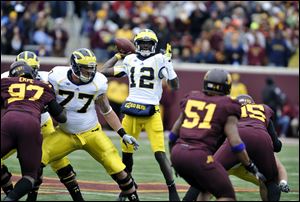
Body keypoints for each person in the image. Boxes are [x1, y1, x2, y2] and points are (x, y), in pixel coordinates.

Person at [39, 48, 140, 201]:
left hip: (92, 133)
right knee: (36, 161)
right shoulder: (56, 77)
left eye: (91, 68)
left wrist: (123, 133)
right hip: (65, 134)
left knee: (118, 168)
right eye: (85, 68)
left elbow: (107, 110)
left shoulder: (98, 82)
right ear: (74, 66)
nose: (89, 72)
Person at [101, 29, 180, 201]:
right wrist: (118, 56)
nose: (145, 46)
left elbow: (174, 86)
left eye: (148, 43)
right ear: (136, 45)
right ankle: (126, 189)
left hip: (152, 112)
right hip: (131, 111)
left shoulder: (160, 59)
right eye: (142, 43)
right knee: (126, 155)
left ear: (154, 45)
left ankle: (172, 190)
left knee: (160, 153)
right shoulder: (129, 59)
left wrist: (169, 65)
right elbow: (103, 71)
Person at [168, 69, 264, 201]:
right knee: (227, 196)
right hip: (199, 155)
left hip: (178, 153)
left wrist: (174, 158)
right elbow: (235, 143)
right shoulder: (228, 105)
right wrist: (249, 165)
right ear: (227, 86)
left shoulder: (192, 97)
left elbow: (173, 134)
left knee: (204, 188)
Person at [1, 51, 85, 201]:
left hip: (31, 122)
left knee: (59, 162)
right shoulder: (45, 82)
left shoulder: (7, 80)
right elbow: (61, 115)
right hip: (32, 124)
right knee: (32, 171)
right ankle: (10, 194)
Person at [180, 94, 288, 201]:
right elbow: (277, 146)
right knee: (270, 181)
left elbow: (216, 137)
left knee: (206, 175)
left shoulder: (230, 110)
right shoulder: (262, 109)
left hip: (236, 146)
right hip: (259, 142)